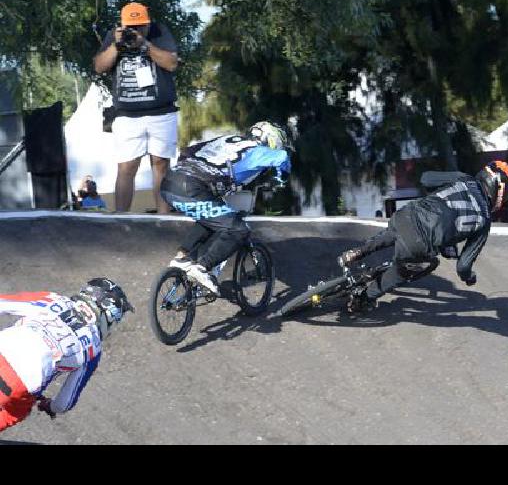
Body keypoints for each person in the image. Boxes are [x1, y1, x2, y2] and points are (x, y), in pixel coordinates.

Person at [337, 160, 508, 313]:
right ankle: (362, 299)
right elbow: (463, 266)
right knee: (400, 272)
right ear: (498, 190)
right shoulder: (484, 221)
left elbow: (426, 179)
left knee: (394, 231)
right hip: (418, 244)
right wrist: (470, 277)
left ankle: (356, 252)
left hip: (406, 215)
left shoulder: (462, 179)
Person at [160, 121, 292, 294]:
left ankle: (181, 258)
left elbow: (186, 151)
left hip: (169, 183)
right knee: (238, 229)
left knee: (212, 219)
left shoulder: (227, 139)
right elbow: (281, 157)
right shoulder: (256, 151)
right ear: (273, 140)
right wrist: (281, 178)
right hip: (191, 188)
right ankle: (201, 268)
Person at [0, 278, 134, 432]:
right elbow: (65, 403)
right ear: (109, 318)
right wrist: (50, 406)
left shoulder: (52, 299)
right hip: (20, 383)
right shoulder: (93, 348)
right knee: (14, 413)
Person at [93, 1, 180, 214]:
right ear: (123, 25)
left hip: (161, 112)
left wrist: (145, 44)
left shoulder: (159, 32)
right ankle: (122, 219)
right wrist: (115, 45)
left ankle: (164, 219)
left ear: (148, 23)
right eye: (132, 27)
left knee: (160, 164)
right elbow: (99, 67)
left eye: (141, 26)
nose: (136, 30)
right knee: (126, 166)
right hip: (127, 115)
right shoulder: (114, 35)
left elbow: (171, 63)